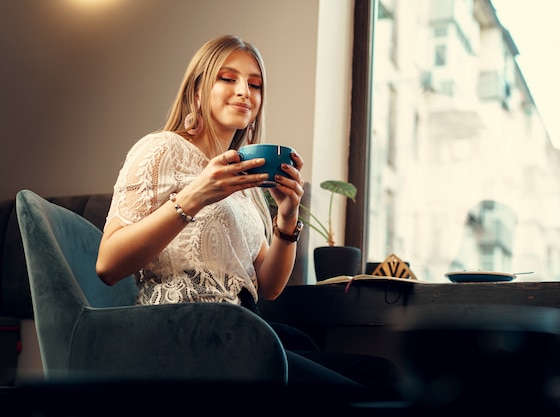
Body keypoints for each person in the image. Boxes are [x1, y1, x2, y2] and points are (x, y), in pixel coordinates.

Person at [95, 34, 402, 398]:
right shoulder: (161, 149)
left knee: (383, 374)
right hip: (187, 332)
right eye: (227, 78)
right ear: (197, 92)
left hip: (244, 330)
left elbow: (268, 287)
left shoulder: (247, 187)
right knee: (356, 392)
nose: (244, 91)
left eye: (254, 85)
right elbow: (108, 264)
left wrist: (287, 219)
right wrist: (194, 197)